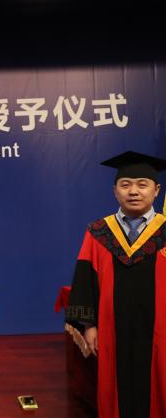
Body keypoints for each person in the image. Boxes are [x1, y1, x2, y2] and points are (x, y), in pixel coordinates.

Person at [66, 151, 166, 418]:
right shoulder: (99, 231)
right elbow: (84, 279)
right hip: (112, 328)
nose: (133, 191)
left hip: (161, 331)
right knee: (114, 388)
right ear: (115, 191)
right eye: (125, 185)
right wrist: (89, 325)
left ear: (156, 190)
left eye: (142, 185)